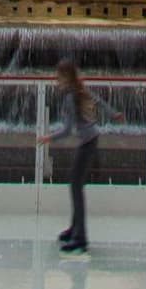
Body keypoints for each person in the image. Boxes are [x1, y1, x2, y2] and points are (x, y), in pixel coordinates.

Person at [45, 60, 100, 254]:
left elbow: (68, 130)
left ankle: (80, 238)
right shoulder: (78, 91)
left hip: (88, 143)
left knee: (76, 186)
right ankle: (74, 229)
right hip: (90, 141)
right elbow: (99, 101)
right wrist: (114, 114)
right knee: (75, 184)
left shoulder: (71, 96)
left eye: (58, 77)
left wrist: (49, 138)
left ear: (66, 77)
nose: (56, 81)